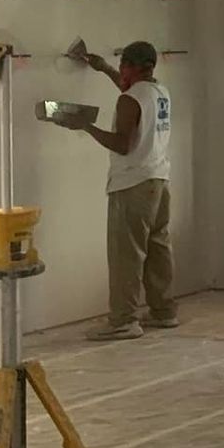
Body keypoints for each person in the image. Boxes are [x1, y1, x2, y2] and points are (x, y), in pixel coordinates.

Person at [63, 39, 176, 340]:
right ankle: (163, 311)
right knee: (157, 248)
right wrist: (104, 69)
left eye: (123, 67)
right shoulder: (158, 91)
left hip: (132, 183)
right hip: (159, 180)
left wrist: (85, 126)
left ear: (133, 66)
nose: (121, 72)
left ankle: (124, 320)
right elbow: (132, 96)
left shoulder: (130, 99)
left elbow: (122, 144)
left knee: (126, 254)